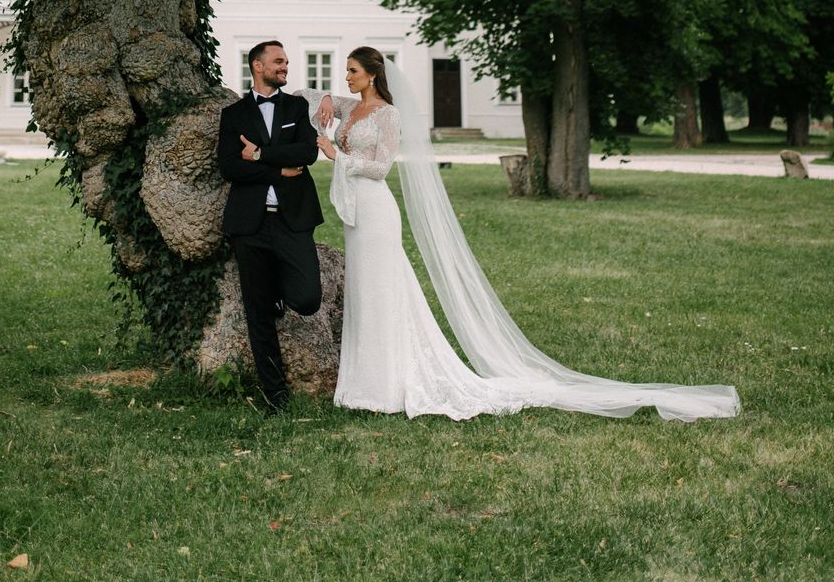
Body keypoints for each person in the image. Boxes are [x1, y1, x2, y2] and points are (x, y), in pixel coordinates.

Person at [314, 46, 741, 422]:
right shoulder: (352, 108)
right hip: (356, 215)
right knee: (364, 291)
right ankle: (365, 384)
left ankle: (386, 387)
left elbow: (381, 168)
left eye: (352, 71)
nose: (346, 76)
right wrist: (329, 99)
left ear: (372, 74)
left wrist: (337, 156)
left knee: (383, 291)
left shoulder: (387, 115)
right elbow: (305, 97)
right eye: (346, 71)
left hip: (376, 210)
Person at [217, 40, 323, 412]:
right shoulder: (233, 114)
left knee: (307, 298)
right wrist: (278, 170)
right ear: (258, 66)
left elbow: (307, 152)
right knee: (258, 312)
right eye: (278, 61)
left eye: (286, 62)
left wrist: (260, 155)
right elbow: (230, 167)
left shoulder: (296, 107)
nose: (285, 67)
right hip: (250, 223)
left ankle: (280, 284)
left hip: (293, 219)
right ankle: (275, 393)